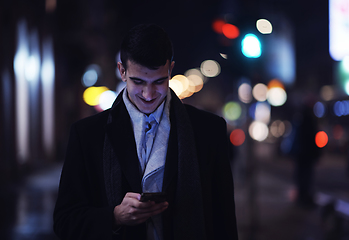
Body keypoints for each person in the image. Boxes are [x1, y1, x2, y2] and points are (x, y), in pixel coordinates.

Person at [53, 23, 238, 240]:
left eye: (158, 81)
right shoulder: (87, 135)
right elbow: (64, 222)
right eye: (138, 81)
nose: (148, 94)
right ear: (122, 71)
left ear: (170, 69)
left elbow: (224, 221)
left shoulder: (209, 131)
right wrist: (114, 217)